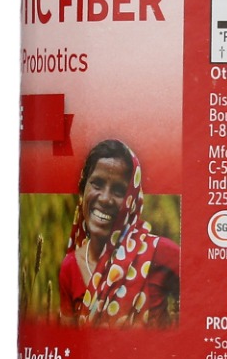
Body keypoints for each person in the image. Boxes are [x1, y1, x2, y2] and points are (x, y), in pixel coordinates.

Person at [59, 139, 179, 327]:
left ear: (133, 200)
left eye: (118, 190)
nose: (105, 199)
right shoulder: (70, 267)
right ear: (83, 189)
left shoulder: (161, 253)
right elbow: (68, 339)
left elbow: (200, 301)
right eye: (97, 184)